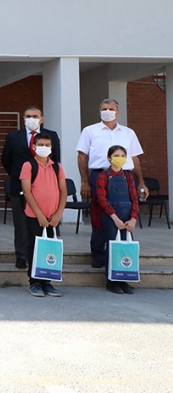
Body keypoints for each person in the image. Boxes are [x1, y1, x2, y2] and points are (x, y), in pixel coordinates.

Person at [76, 99, 146, 269]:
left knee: (124, 212)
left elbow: (135, 158)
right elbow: (82, 156)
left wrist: (141, 182)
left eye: (111, 109)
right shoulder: (90, 131)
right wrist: (85, 181)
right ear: (99, 112)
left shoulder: (128, 132)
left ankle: (121, 253)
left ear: (118, 112)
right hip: (99, 175)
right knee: (99, 215)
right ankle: (99, 255)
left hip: (124, 177)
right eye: (104, 109)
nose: (108, 111)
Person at [1, 105, 61, 269]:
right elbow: (6, 160)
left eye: (35, 116)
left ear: (42, 119)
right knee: (20, 223)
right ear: (23, 118)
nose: (31, 119)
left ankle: (44, 256)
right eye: (28, 116)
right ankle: (21, 256)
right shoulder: (13, 137)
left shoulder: (51, 136)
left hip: (44, 189)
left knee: (42, 221)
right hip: (19, 186)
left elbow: (56, 160)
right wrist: (20, 176)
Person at [20, 133, 67, 298]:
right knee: (35, 248)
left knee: (50, 249)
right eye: (40, 144)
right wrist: (39, 214)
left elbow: (63, 191)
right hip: (35, 215)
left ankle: (47, 281)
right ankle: (34, 282)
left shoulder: (57, 167)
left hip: (53, 216)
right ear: (34, 146)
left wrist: (58, 213)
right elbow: (27, 191)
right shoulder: (28, 165)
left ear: (51, 147)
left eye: (47, 145)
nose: (44, 147)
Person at [94, 145, 140, 295]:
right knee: (113, 248)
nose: (119, 158)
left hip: (127, 217)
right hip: (110, 217)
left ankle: (123, 279)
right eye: (116, 155)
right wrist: (114, 217)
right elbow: (101, 199)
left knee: (125, 248)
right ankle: (111, 281)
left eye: (122, 155)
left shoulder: (128, 177)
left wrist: (133, 218)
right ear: (109, 158)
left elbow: (134, 198)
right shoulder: (103, 176)